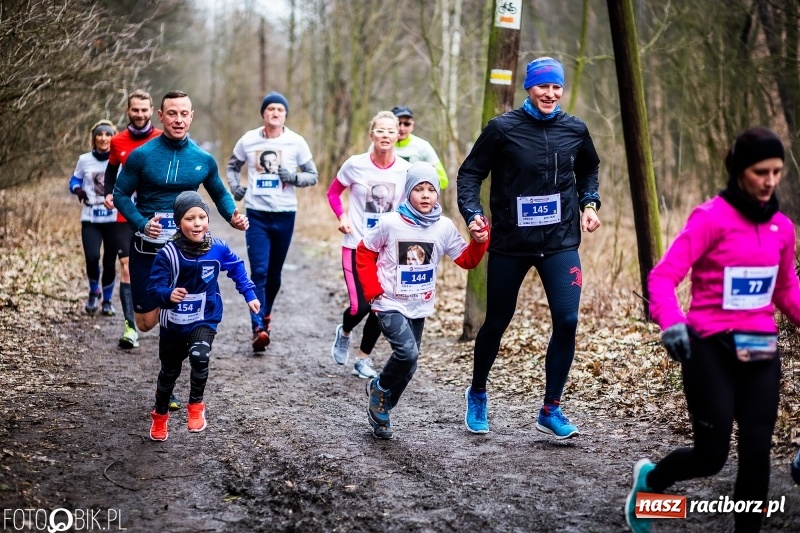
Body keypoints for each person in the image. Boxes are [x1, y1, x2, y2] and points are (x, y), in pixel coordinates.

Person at [626, 127, 800, 533]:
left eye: (776, 172)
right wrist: (672, 322)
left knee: (757, 452)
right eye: (761, 171)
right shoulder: (710, 219)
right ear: (740, 170)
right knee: (711, 457)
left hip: (760, 350)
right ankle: (650, 483)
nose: (770, 181)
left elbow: (786, 289)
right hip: (709, 348)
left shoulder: (782, 229)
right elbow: (663, 277)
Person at [457, 56, 601, 438]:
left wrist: (589, 203)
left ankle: (551, 407)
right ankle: (478, 392)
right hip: (511, 244)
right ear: (528, 88)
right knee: (497, 322)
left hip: (560, 242)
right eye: (543, 87)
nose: (550, 94)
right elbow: (471, 173)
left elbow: (589, 168)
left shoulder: (575, 129)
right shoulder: (502, 129)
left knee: (568, 320)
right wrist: (472, 213)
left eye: (556, 87)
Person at [114, 90, 248, 411]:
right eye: (171, 113)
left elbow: (219, 194)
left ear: (192, 116)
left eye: (184, 113)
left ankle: (170, 374)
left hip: (188, 253)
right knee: (146, 322)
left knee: (179, 318)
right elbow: (119, 195)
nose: (178, 119)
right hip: (148, 250)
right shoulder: (142, 156)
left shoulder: (202, 160)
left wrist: (232, 215)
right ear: (161, 116)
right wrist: (141, 222)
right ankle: (157, 319)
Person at [356, 162, 489, 439]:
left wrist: (478, 240)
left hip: (419, 305)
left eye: (431, 189)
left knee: (410, 365)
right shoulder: (390, 223)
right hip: (389, 302)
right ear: (408, 194)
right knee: (408, 353)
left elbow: (466, 260)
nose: (426, 195)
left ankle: (382, 408)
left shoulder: (443, 227)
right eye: (419, 189)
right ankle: (380, 390)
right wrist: (372, 289)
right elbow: (364, 251)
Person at [146, 192, 259, 441]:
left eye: (202, 217)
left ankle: (195, 407)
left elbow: (237, 267)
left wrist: (249, 293)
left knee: (200, 356)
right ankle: (160, 415)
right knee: (169, 372)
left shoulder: (217, 248)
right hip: (174, 322)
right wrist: (168, 295)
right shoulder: (169, 254)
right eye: (190, 218)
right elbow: (154, 288)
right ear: (178, 223)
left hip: (205, 316)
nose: (197, 223)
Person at [225, 91, 318, 352]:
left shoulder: (296, 142)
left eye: (280, 109)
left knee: (274, 275)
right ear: (263, 114)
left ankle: (266, 313)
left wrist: (294, 178)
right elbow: (232, 167)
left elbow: (312, 175)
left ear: (285, 115)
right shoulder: (249, 140)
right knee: (260, 272)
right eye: (271, 109)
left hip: (285, 213)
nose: (275, 113)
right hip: (256, 213)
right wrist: (235, 187)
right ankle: (258, 326)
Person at [327, 110, 412, 377]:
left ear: (398, 135)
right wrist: (341, 216)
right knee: (359, 306)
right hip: (355, 244)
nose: (385, 135)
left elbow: (409, 206)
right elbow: (333, 193)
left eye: (391, 131)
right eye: (380, 130)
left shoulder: (405, 169)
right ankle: (345, 331)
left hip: (386, 248)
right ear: (371, 134)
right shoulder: (355, 164)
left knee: (379, 306)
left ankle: (363, 359)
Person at [103, 89, 163, 349]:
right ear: (128, 111)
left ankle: (162, 312)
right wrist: (108, 193)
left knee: (161, 264)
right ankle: (130, 327)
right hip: (124, 214)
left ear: (152, 111)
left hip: (155, 215)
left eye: (144, 109)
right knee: (126, 265)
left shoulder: (163, 138)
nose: (139, 114)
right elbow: (111, 169)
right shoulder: (117, 141)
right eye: (135, 109)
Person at [69, 120, 118, 316]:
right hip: (90, 217)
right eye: (100, 134)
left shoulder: (119, 160)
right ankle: (93, 292)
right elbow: (74, 179)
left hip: (114, 218)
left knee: (109, 261)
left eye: (108, 134)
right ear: (94, 138)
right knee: (92, 257)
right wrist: (78, 189)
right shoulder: (84, 159)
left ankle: (107, 300)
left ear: (113, 137)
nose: (104, 138)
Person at [389, 106, 449, 190]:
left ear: (412, 125)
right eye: (398, 123)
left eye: (406, 124)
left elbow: (442, 180)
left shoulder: (423, 146)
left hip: (412, 199)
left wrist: (419, 187)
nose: (402, 128)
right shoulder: (380, 145)